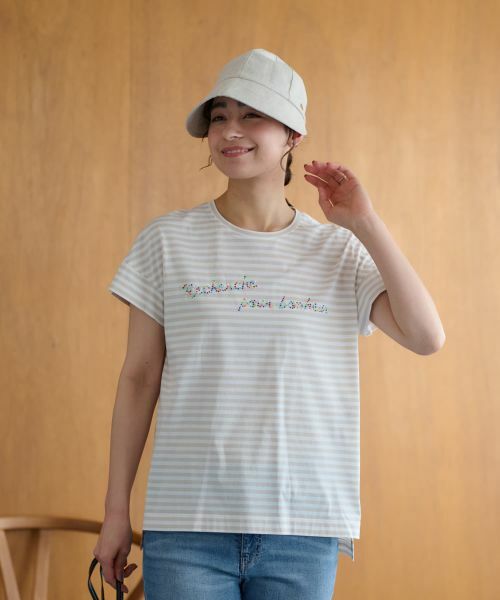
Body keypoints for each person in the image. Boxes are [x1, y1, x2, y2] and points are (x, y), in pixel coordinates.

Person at [93, 48, 445, 599]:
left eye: (252, 114)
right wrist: (116, 511)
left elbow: (427, 337)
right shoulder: (167, 241)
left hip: (303, 527)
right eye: (219, 117)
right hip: (187, 525)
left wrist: (365, 223)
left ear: (292, 136)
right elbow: (139, 379)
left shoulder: (337, 251)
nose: (231, 130)